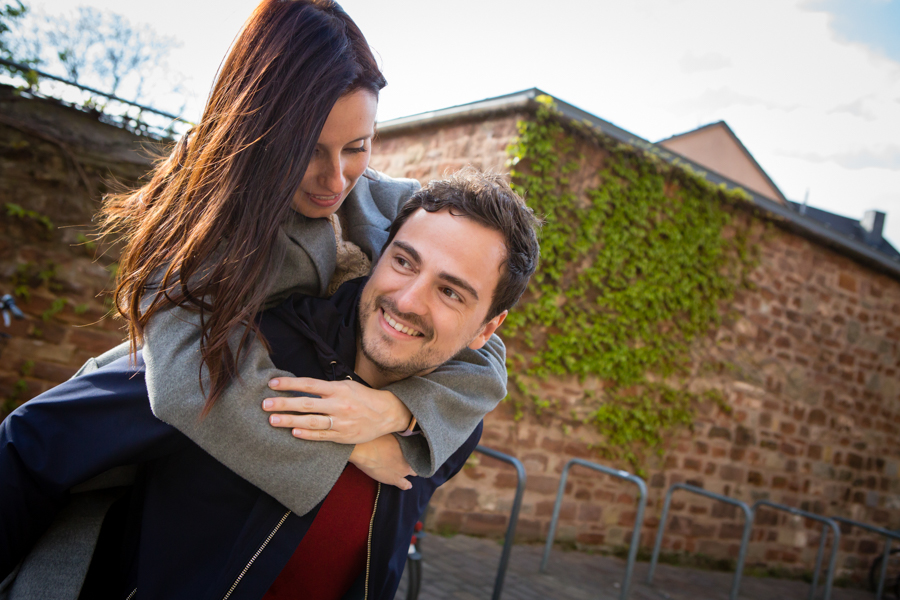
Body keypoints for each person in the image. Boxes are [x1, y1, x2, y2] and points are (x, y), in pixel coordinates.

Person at [0, 169, 542, 600]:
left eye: (451, 293)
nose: (406, 300)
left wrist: (396, 417)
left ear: (487, 328)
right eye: (404, 262)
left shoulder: (449, 420)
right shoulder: (242, 347)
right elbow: (36, 440)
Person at [90, 0, 508, 514]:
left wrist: (397, 409)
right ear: (253, 132)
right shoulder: (200, 218)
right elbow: (183, 384)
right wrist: (352, 444)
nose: (335, 180)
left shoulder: (401, 209)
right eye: (307, 150)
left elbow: (483, 350)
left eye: (357, 146)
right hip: (140, 463)